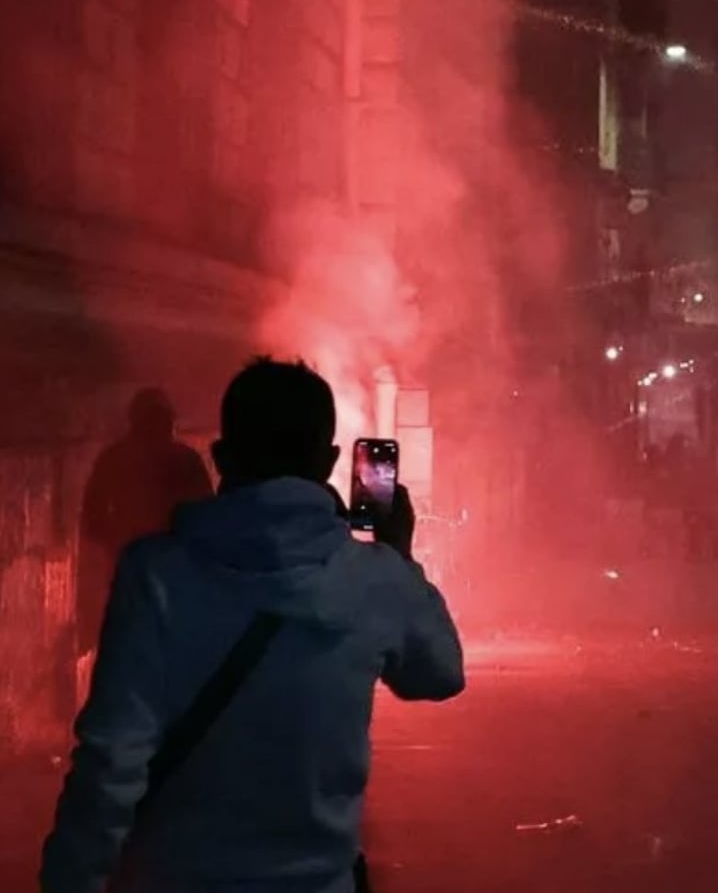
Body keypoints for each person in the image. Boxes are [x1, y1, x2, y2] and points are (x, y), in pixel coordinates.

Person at [43, 358, 466, 893]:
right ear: (330, 461)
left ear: (220, 457)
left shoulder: (155, 574)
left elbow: (111, 761)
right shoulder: (373, 579)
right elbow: (440, 673)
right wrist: (398, 555)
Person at [77, 389, 214, 663]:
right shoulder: (185, 460)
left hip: (131, 570)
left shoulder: (114, 458)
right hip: (175, 575)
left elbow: (92, 517)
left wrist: (114, 540)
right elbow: (207, 516)